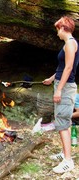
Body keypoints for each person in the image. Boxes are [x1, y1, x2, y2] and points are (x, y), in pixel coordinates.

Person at [43, 16, 79, 174]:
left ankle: (68, 161)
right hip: (61, 84)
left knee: (63, 123)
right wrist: (51, 79)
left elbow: (69, 67)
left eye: (57, 29)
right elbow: (62, 66)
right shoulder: (67, 44)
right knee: (61, 121)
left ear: (63, 28)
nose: (57, 32)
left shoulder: (70, 43)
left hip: (65, 88)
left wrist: (59, 90)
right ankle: (65, 154)